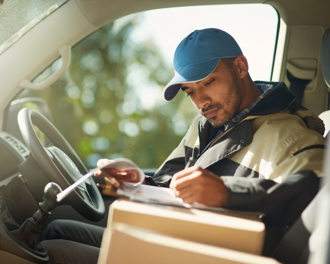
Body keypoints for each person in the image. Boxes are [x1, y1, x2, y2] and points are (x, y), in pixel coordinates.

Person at [40, 28, 325, 263]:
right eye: (190, 91)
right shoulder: (206, 126)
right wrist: (135, 181)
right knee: (56, 229)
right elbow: (167, 185)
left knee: (54, 253)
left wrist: (227, 193)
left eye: (208, 82)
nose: (201, 102)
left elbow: (314, 197)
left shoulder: (290, 134)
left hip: (215, 253)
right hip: (176, 233)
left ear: (240, 67)